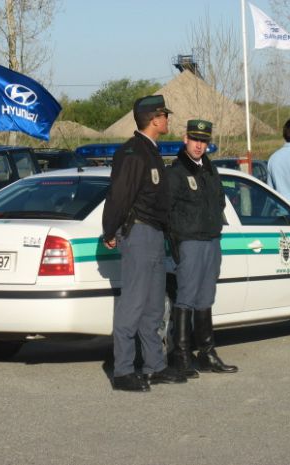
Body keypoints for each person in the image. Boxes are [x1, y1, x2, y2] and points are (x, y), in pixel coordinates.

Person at [102, 95, 186, 392]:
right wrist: (109, 229)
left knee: (152, 306)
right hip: (137, 233)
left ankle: (155, 365)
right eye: (165, 115)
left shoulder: (150, 151)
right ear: (154, 118)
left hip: (154, 234)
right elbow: (119, 195)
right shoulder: (133, 153)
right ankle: (124, 370)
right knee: (133, 304)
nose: (168, 120)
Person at [167, 120, 238, 378]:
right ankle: (182, 355)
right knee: (186, 296)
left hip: (211, 240)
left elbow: (219, 199)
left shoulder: (210, 169)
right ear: (185, 138)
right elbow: (168, 210)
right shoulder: (175, 172)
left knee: (206, 297)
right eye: (195, 139)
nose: (199, 145)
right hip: (189, 241)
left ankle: (207, 353)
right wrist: (178, 239)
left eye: (204, 141)